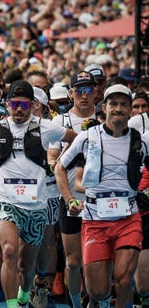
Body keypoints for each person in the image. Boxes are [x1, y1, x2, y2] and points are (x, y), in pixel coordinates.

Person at [0, 80, 75, 308]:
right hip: (5, 200)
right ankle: (12, 305)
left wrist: (60, 161)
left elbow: (77, 139)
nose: (18, 109)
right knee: (9, 251)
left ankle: (23, 294)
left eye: (23, 104)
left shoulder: (47, 127)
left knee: (26, 266)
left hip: (35, 204)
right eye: (14, 103)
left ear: (32, 105)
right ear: (7, 104)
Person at [56, 84, 149, 308]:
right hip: (95, 219)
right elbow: (60, 167)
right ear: (104, 107)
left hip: (128, 218)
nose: (118, 109)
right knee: (97, 291)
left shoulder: (141, 141)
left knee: (124, 280)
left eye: (123, 104)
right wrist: (69, 199)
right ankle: (102, 302)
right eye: (113, 104)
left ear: (130, 110)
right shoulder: (87, 138)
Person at [47, 71, 99, 308]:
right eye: (79, 90)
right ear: (71, 94)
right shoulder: (61, 122)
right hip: (71, 200)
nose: (84, 95)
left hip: (99, 200)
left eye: (89, 90)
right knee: (74, 261)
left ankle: (96, 300)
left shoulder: (105, 118)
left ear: (96, 93)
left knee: (97, 260)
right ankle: (76, 303)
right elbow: (52, 160)